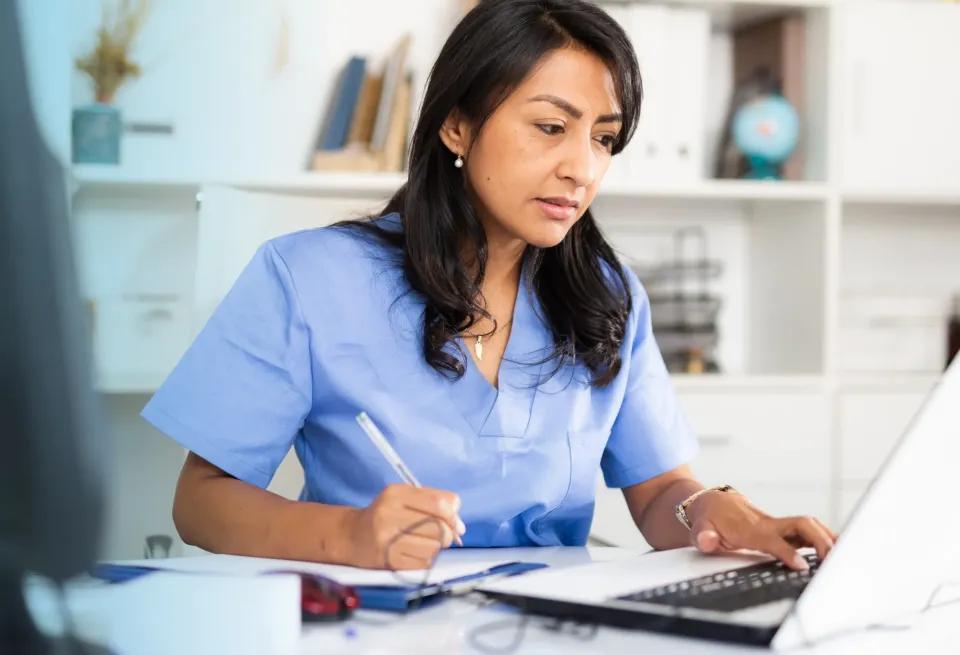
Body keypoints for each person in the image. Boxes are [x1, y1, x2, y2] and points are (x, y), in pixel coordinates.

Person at [142, 0, 837, 572]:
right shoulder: (308, 278)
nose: (582, 168)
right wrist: (349, 535)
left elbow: (657, 489)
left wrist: (706, 510)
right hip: (376, 624)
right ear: (457, 124)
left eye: (603, 138)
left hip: (558, 627)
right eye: (550, 127)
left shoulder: (608, 293)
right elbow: (201, 501)